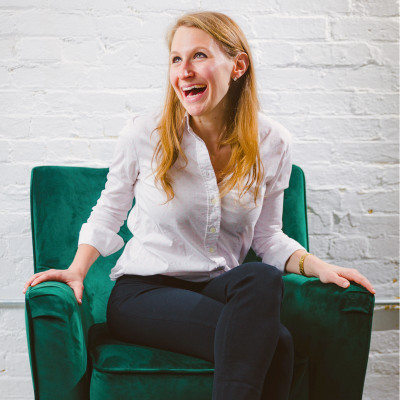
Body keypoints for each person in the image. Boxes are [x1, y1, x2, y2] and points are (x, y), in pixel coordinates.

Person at [23, 11, 375, 400]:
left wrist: (318, 266)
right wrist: (76, 270)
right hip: (144, 293)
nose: (184, 71)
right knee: (277, 345)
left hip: (219, 288)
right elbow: (109, 209)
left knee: (261, 277)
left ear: (238, 66)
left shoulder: (273, 142)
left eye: (199, 56)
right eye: (176, 59)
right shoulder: (145, 133)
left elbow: (268, 236)